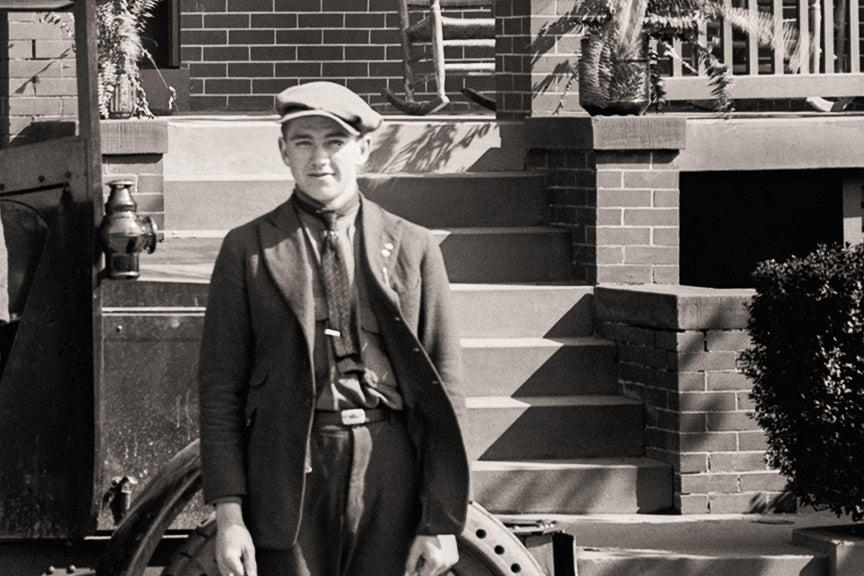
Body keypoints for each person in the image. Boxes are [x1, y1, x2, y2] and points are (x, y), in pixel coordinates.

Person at [198, 81, 470, 576]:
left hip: (389, 465)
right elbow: (220, 389)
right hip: (290, 467)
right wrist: (229, 512)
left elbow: (444, 385)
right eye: (303, 142)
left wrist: (442, 519)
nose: (319, 158)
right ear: (283, 152)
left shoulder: (414, 247)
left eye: (335, 142)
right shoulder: (248, 250)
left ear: (363, 150)